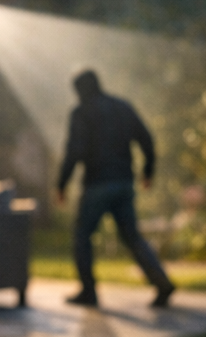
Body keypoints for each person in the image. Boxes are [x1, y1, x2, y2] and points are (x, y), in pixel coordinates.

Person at [57, 69, 175, 308]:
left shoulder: (81, 113)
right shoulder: (122, 107)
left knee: (82, 236)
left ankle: (88, 291)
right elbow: (146, 138)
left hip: (97, 185)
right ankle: (160, 281)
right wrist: (148, 171)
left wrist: (61, 184)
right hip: (123, 183)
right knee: (132, 236)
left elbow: (74, 151)